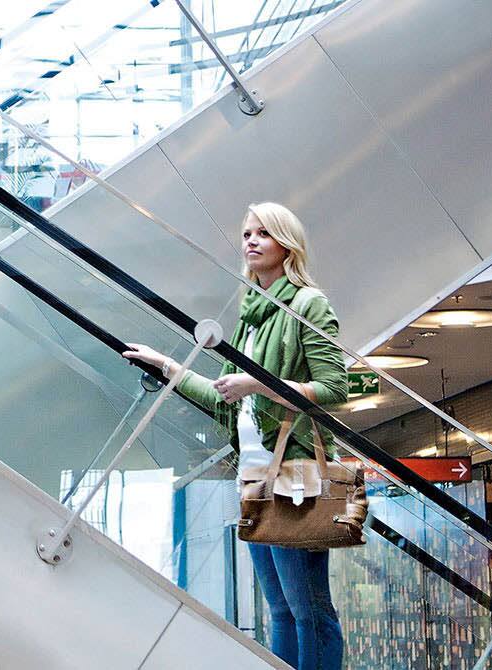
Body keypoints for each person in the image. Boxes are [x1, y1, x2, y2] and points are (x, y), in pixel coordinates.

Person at [123, 202, 348, 670]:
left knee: (310, 610)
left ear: (287, 243)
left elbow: (333, 389)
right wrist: (165, 364)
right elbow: (220, 394)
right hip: (254, 476)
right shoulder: (250, 314)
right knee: (281, 611)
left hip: (294, 473)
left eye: (263, 232)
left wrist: (256, 384)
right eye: (247, 233)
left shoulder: (308, 304)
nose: (250, 240)